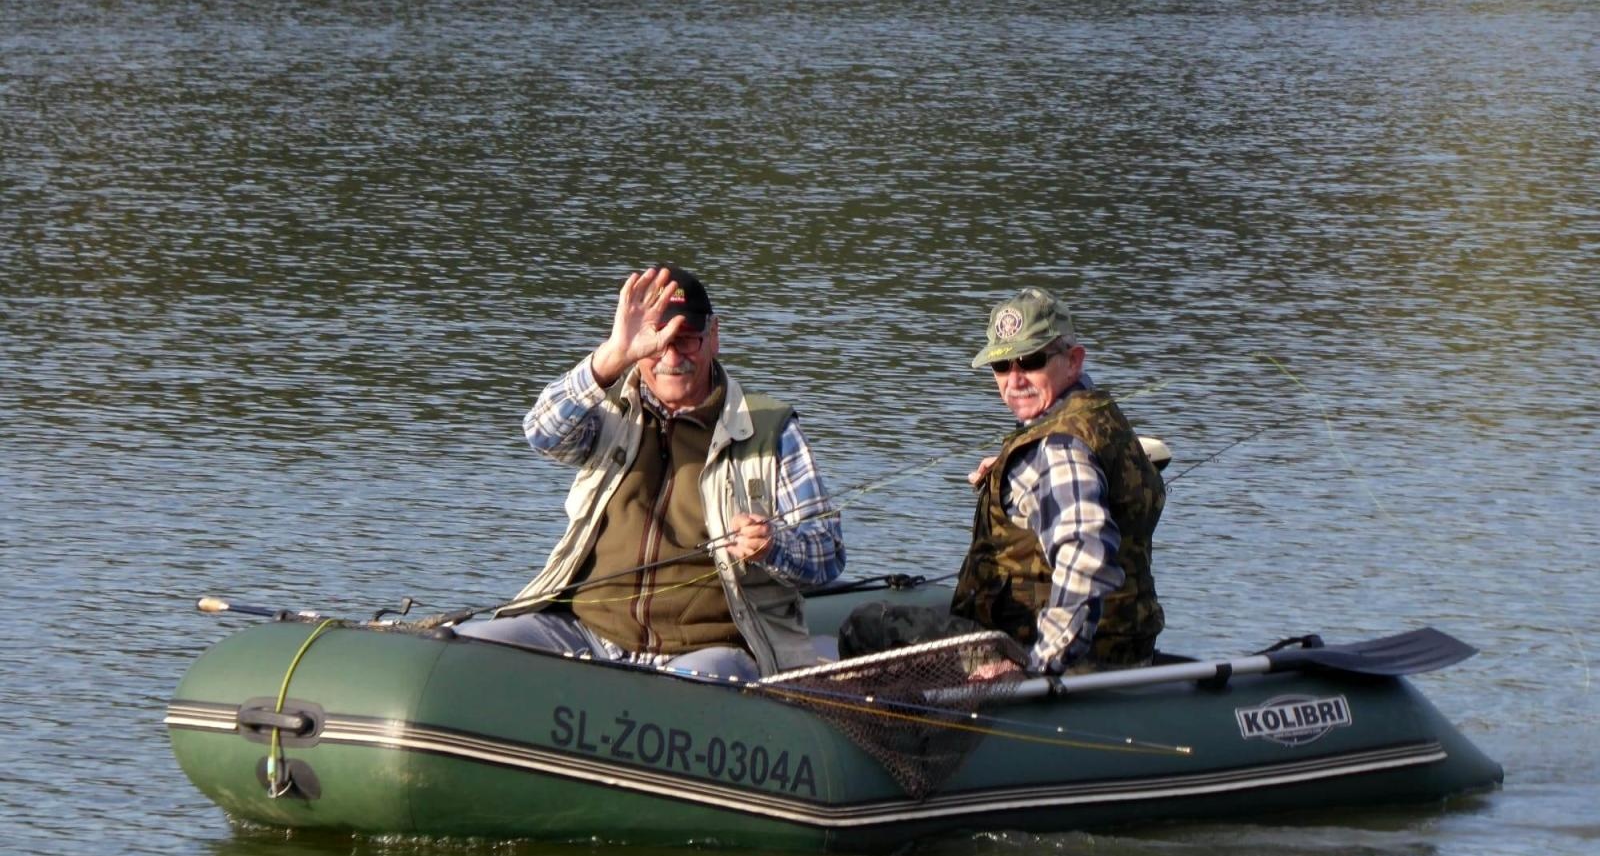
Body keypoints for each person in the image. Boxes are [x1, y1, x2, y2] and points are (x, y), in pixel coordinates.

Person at [456, 266, 846, 682]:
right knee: (466, 651)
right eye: (656, 342)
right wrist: (612, 354)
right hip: (585, 631)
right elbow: (542, 432)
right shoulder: (606, 409)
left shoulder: (771, 428)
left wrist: (773, 545)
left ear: (714, 337)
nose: (671, 358)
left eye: (686, 340)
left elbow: (827, 554)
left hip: (713, 648)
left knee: (690, 687)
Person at [838, 285, 1164, 678]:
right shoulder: (1095, 416)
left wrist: (1039, 667)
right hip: (1127, 647)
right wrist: (1015, 474)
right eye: (1001, 365)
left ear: (1073, 360)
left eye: (1031, 360)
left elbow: (1085, 559)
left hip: (1047, 658)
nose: (1015, 379)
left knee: (867, 626)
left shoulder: (1058, 449)